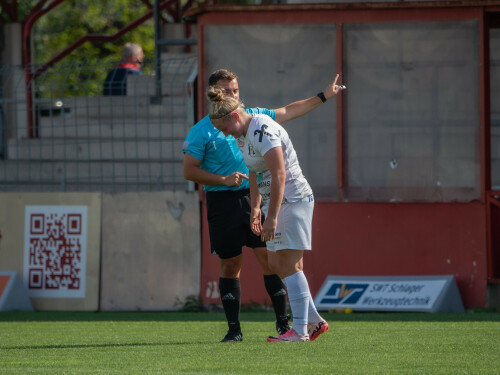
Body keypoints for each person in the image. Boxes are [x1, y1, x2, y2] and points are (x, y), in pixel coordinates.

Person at [182, 69, 341, 342]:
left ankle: (297, 329)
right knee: (269, 263)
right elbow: (254, 171)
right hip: (239, 200)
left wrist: (323, 97)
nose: (232, 95)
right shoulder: (224, 130)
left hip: (287, 198)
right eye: (226, 91)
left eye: (234, 90)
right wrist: (256, 206)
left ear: (234, 113)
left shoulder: (258, 124)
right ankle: (308, 322)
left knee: (282, 262)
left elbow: (278, 170)